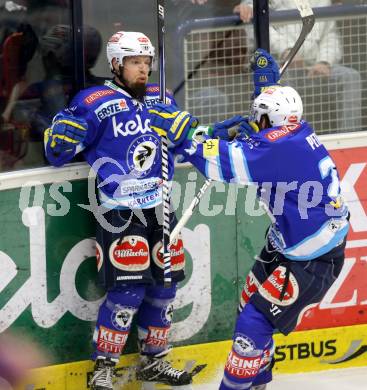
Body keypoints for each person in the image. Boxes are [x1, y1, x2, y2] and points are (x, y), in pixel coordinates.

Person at [148, 49, 349, 390]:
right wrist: (267, 90)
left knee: (253, 323)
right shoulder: (294, 132)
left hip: (312, 259)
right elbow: (268, 131)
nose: (255, 122)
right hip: (288, 244)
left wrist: (186, 135)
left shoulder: (275, 149)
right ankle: (257, 384)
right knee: (249, 308)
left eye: (260, 116)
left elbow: (218, 164)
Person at [43, 31, 199, 390]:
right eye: (134, 63)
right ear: (116, 64)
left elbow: (185, 143)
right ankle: (104, 367)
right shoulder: (93, 101)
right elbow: (58, 153)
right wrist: (58, 138)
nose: (143, 69)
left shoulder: (162, 97)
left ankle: (154, 360)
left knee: (164, 290)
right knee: (126, 293)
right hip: (119, 209)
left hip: (160, 208)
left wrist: (194, 132)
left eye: (146, 62)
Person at [234, 0, 362, 133]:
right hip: (280, 63)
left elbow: (330, 35)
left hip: (315, 65)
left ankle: (350, 136)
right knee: (283, 79)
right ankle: (291, 141)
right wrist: (287, 52)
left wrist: (324, 62)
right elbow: (254, 13)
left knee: (349, 76)